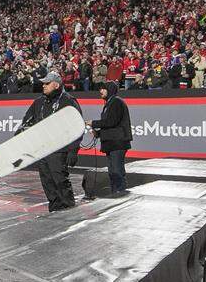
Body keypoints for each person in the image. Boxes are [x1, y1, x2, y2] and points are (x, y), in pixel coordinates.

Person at [18, 72, 82, 212]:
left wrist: (73, 150)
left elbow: (77, 126)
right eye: (43, 83)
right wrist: (19, 134)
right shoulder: (39, 102)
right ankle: (54, 210)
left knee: (60, 181)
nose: (44, 86)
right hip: (42, 149)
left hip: (59, 150)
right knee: (47, 182)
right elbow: (27, 120)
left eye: (47, 83)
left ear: (56, 84)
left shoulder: (68, 101)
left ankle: (69, 210)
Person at [88, 82, 132, 195]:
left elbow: (111, 121)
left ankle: (121, 193)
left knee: (117, 171)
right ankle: (115, 193)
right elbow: (110, 124)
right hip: (111, 143)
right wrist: (97, 134)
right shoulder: (109, 103)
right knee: (112, 172)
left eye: (103, 89)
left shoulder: (116, 102)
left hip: (117, 142)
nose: (100, 91)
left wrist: (93, 123)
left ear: (110, 90)